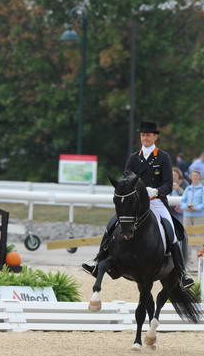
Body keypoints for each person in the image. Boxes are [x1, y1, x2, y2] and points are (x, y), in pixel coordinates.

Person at [82, 121, 195, 290]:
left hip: (156, 202)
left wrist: (155, 192)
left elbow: (168, 185)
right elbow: (125, 179)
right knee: (113, 223)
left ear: (155, 137)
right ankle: (97, 262)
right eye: (143, 135)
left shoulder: (163, 157)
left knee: (169, 228)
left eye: (148, 135)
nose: (145, 138)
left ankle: (181, 273)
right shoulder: (134, 157)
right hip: (135, 203)